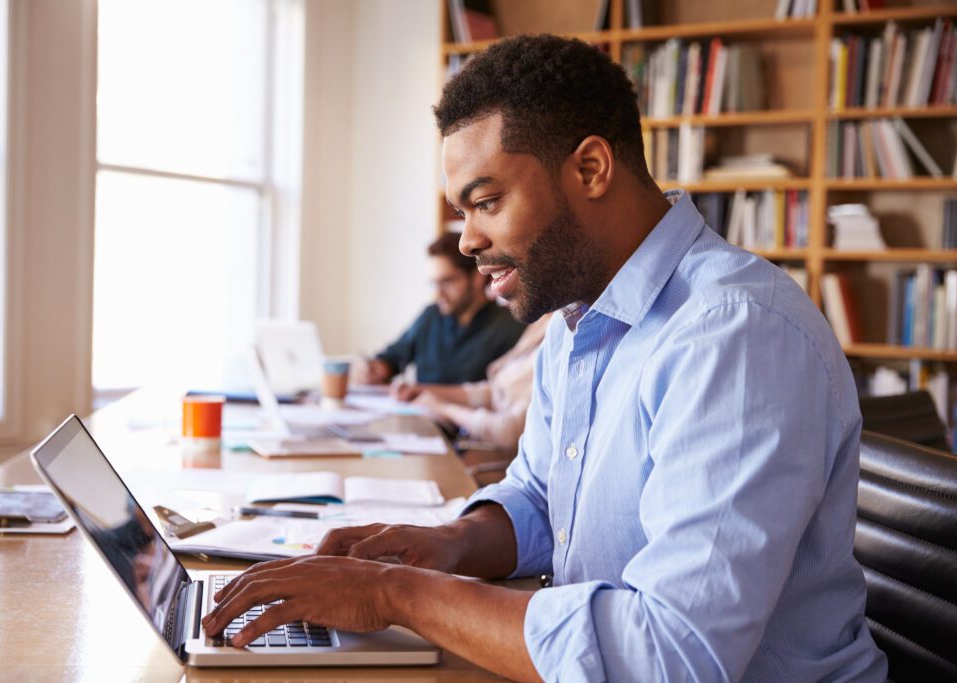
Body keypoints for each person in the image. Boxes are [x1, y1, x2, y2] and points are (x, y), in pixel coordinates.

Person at [203, 34, 887, 682]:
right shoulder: (576, 318)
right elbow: (541, 496)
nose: (467, 241)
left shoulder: (735, 334)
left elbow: (671, 655)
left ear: (590, 168)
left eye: (487, 201)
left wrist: (395, 593)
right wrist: (452, 542)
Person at [356, 231, 525, 385]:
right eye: (434, 284)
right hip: (421, 417)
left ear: (477, 277)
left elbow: (502, 397)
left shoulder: (510, 327)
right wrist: (379, 368)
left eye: (447, 281)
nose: (438, 295)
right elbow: (393, 357)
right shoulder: (431, 316)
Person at [391, 312, 551, 452]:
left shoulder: (553, 330)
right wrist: (424, 390)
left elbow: (507, 430)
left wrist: (444, 408)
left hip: (492, 458)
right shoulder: (543, 322)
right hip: (476, 446)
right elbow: (494, 392)